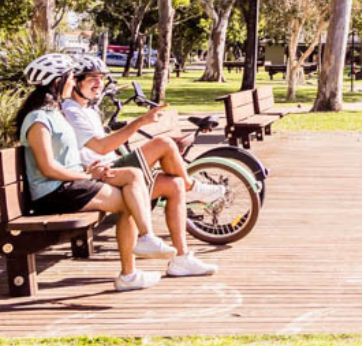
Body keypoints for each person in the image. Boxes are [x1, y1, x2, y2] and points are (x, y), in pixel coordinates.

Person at [15, 53, 175, 291]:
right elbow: (48, 168)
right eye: (70, 77)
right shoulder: (38, 120)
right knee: (128, 202)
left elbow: (65, 160)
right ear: (57, 81)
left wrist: (89, 170)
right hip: (53, 193)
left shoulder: (54, 114)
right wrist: (88, 176)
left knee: (133, 175)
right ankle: (131, 269)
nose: (72, 81)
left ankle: (145, 240)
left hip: (68, 185)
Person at [61, 54, 219, 277]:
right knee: (163, 143)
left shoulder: (87, 109)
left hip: (114, 171)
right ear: (75, 81)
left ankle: (182, 259)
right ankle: (193, 186)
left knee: (174, 185)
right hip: (104, 174)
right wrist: (141, 122)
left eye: (101, 78)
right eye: (91, 79)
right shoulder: (72, 111)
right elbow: (102, 148)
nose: (98, 83)